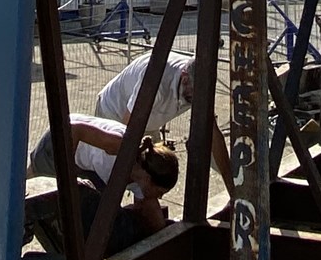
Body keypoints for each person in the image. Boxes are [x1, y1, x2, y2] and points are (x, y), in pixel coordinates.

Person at [27, 114, 179, 255]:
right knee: (34, 200)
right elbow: (74, 129)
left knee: (99, 207)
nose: (159, 197)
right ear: (148, 178)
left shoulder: (139, 176)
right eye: (160, 192)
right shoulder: (121, 146)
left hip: (84, 168)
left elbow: (151, 213)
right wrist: (68, 178)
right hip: (59, 143)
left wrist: (166, 239)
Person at [93, 49, 232, 182]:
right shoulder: (156, 81)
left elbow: (213, 137)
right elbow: (126, 130)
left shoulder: (199, 83)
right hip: (115, 113)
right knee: (113, 174)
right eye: (194, 93)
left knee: (153, 176)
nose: (199, 99)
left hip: (147, 120)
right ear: (184, 78)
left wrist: (232, 188)